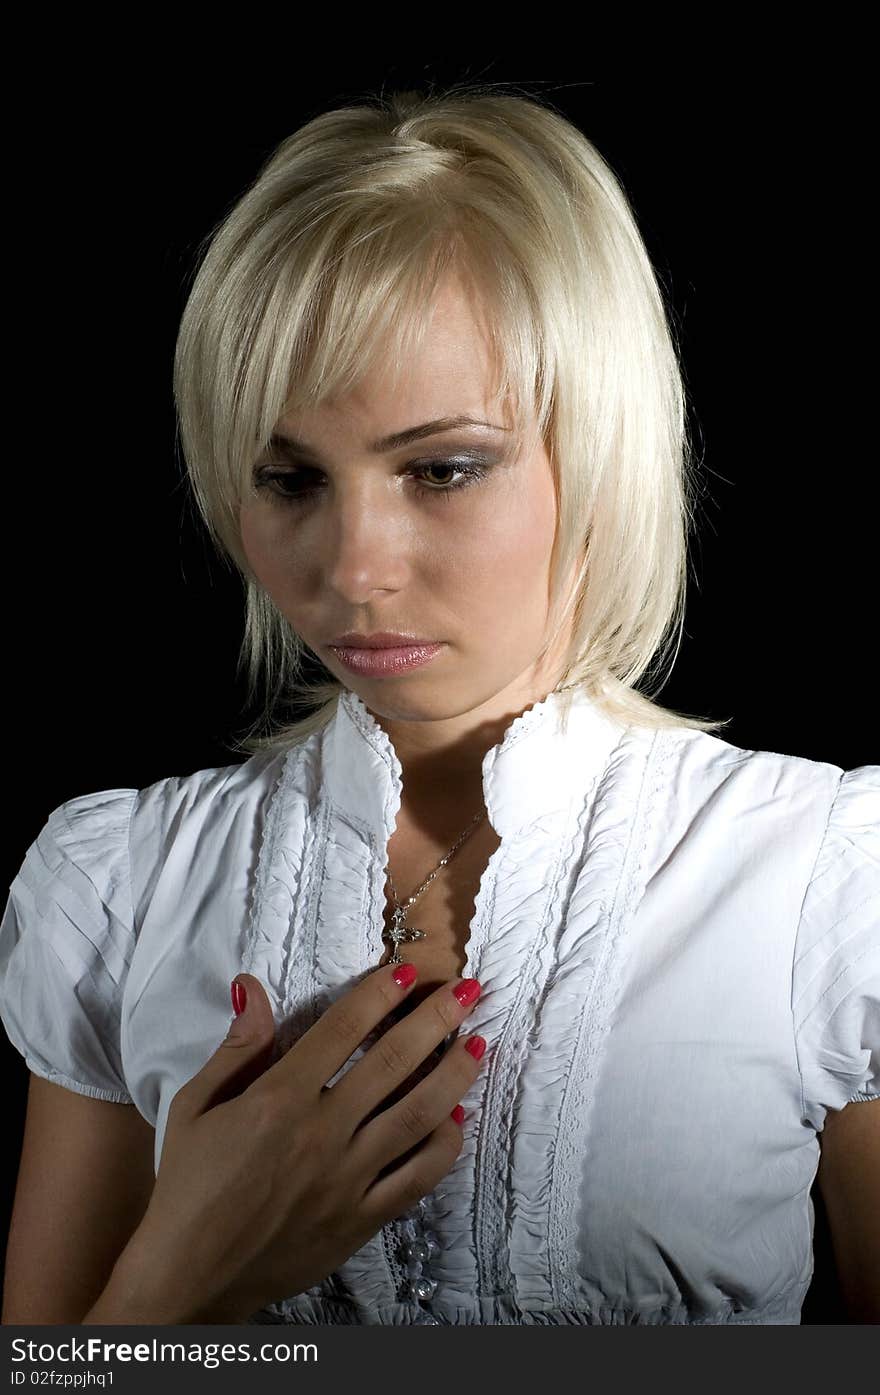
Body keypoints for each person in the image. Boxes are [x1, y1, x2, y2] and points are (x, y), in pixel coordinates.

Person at [1, 84, 878, 1327]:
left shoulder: (821, 883)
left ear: (602, 445)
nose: (355, 568)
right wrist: (178, 1276)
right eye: (289, 478)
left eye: (442, 468)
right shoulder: (120, 889)